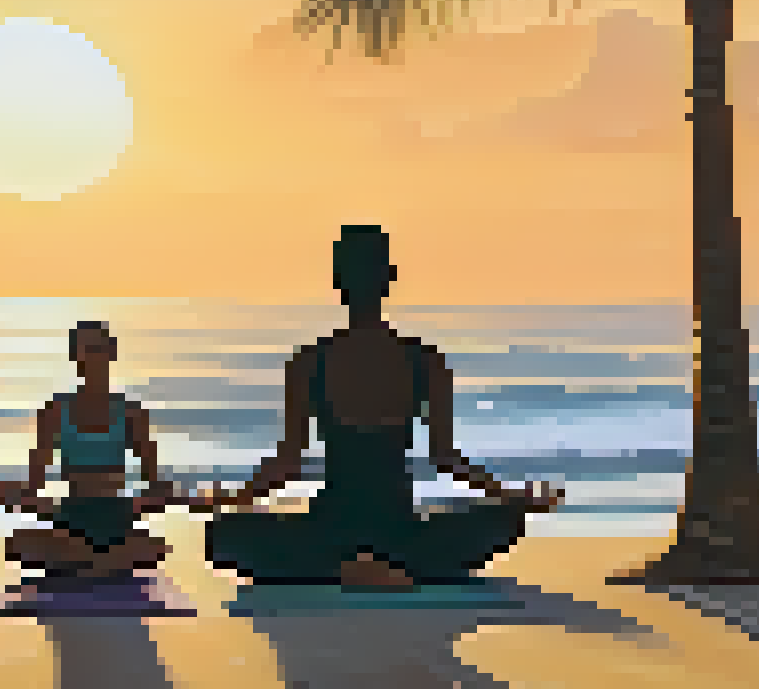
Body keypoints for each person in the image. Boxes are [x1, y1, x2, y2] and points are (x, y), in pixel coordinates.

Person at [187, 224, 562, 586]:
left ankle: (341, 567)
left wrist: (232, 499)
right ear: (389, 279)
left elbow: (288, 463)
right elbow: (446, 458)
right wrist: (512, 498)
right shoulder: (423, 360)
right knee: (503, 522)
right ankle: (391, 566)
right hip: (399, 530)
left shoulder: (309, 361)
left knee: (224, 534)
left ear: (337, 281)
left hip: (330, 530)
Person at [0, 321, 175, 580]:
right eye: (85, 350)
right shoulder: (55, 411)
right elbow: (34, 485)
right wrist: (8, 494)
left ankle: (91, 558)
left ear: (111, 352)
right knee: (18, 544)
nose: (91, 357)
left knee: (148, 545)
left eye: (97, 349)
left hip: (117, 514)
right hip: (70, 514)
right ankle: (101, 558)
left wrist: (164, 496)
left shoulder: (131, 413)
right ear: (75, 357)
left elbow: (153, 482)